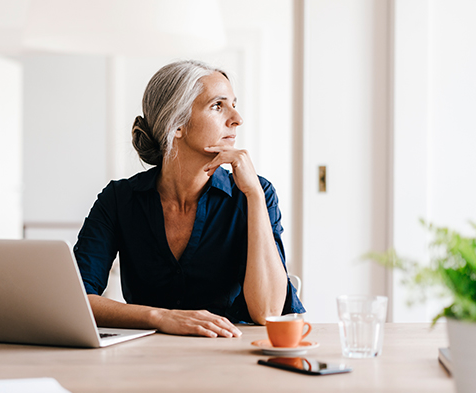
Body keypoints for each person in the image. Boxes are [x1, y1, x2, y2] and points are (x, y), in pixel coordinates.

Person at [73, 60, 304, 338]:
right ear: (178, 124)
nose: (237, 118)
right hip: (146, 361)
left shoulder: (256, 193)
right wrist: (161, 317)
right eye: (218, 106)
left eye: (234, 103)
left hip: (235, 356)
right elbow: (77, 300)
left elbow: (267, 312)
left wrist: (253, 195)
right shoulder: (119, 200)